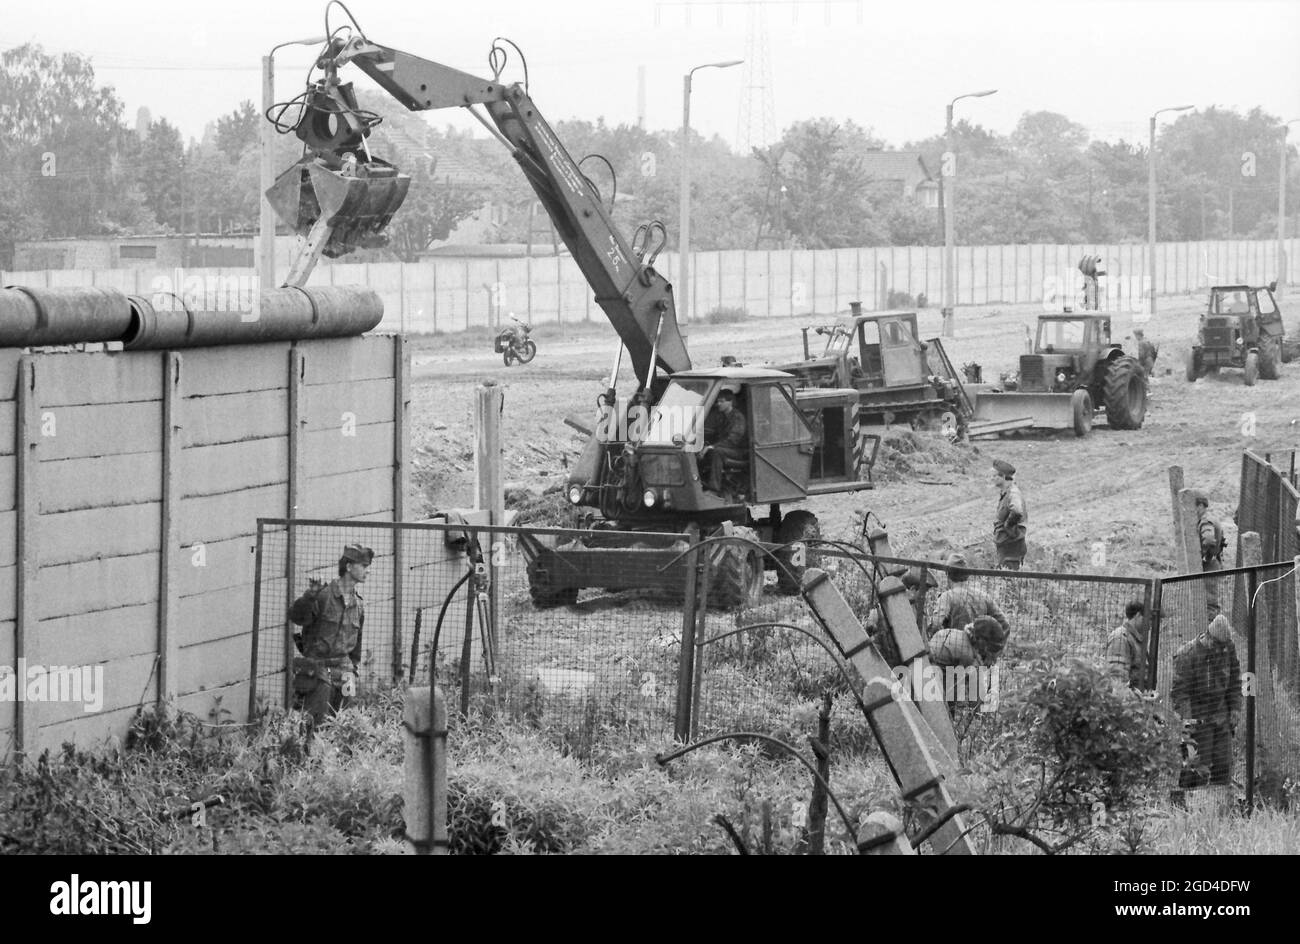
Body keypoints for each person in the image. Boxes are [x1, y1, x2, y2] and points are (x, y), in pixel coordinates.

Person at [288, 543, 372, 726]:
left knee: (347, 723)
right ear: (349, 567)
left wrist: (353, 670)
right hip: (318, 668)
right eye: (364, 566)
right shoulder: (323, 595)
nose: (368, 571)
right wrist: (310, 596)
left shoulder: (358, 605)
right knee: (316, 722)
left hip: (344, 669)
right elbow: (296, 617)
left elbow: (356, 646)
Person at [1171, 614, 1242, 789]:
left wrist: (1235, 708)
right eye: (1219, 645)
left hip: (1221, 714)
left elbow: (1235, 680)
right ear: (1209, 639)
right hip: (1198, 716)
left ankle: (1220, 806)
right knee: (1198, 767)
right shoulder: (1187, 655)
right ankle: (1187, 803)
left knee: (1223, 764)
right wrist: (1188, 722)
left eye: (1224, 646)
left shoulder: (1227, 648)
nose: (1222, 649)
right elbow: (1180, 693)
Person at [928, 552, 1011, 642]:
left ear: (947, 574)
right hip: (977, 652)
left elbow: (936, 624)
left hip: (952, 650)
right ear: (968, 575)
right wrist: (993, 651)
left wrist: (937, 641)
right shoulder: (984, 596)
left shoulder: (947, 597)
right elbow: (1005, 625)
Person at [699, 385, 747, 494]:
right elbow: (715, 433)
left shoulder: (737, 417)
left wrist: (713, 446)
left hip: (740, 451)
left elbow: (733, 440)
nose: (718, 404)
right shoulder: (721, 417)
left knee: (717, 452)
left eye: (721, 401)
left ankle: (714, 488)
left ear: (730, 402)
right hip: (728, 449)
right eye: (717, 401)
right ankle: (700, 483)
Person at [929, 615, 1009, 669]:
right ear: (981, 640)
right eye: (989, 647)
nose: (987, 651)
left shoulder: (954, 633)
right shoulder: (967, 655)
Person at [1194, 491, 1227, 620]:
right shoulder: (1211, 518)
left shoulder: (1205, 521)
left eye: (1194, 507)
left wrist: (1201, 555)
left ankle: (1213, 633)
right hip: (1213, 563)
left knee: (1210, 603)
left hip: (1209, 564)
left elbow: (1208, 539)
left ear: (1201, 506)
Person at [1105, 600, 1150, 690]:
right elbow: (1117, 678)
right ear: (1138, 616)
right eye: (1149, 618)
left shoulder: (1135, 639)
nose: (1151, 623)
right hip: (1127, 700)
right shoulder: (1120, 638)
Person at [991, 459, 1028, 569]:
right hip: (1006, 546)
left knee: (1008, 580)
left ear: (1002, 477)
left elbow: (1016, 511)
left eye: (994, 476)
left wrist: (1008, 527)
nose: (991, 479)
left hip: (1012, 547)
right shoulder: (1006, 493)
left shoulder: (1013, 494)